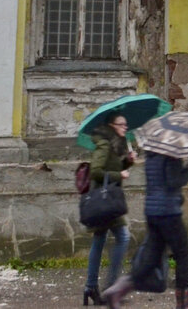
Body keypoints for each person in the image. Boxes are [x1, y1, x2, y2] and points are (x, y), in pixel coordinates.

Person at [102, 150, 188, 309]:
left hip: (152, 212)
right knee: (182, 255)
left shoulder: (151, 156)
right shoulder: (171, 155)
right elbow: (173, 181)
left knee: (151, 258)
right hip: (169, 213)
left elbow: (159, 182)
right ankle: (184, 304)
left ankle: (118, 288)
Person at [82, 114, 136, 305]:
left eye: (126, 124)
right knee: (123, 237)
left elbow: (115, 165)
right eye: (121, 124)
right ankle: (112, 288)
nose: (125, 127)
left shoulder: (114, 145)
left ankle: (91, 287)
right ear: (112, 126)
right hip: (105, 200)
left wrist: (128, 161)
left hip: (109, 200)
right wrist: (119, 174)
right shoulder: (104, 144)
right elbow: (95, 171)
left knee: (99, 240)